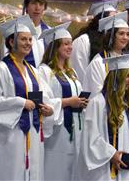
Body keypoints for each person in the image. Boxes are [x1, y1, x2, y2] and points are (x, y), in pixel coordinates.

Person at [0, 16, 55, 181]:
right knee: (10, 172)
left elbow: (44, 95)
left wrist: (48, 108)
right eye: (23, 39)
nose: (28, 43)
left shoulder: (32, 70)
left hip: (32, 133)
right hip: (9, 134)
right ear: (11, 42)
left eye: (30, 39)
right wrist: (21, 102)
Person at [76, 54, 129, 181]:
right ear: (116, 78)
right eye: (127, 76)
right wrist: (112, 154)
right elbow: (91, 137)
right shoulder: (98, 103)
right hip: (104, 169)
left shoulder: (128, 105)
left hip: (124, 169)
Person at [38, 22, 88, 181]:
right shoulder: (44, 71)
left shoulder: (70, 71)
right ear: (55, 47)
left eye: (71, 44)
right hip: (57, 130)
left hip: (76, 127)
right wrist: (68, 102)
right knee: (57, 169)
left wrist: (80, 102)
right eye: (66, 44)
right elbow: (44, 102)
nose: (70, 47)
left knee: (72, 169)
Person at [83, 11, 129, 97]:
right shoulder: (98, 63)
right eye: (121, 33)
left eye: (128, 34)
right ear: (111, 36)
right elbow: (96, 95)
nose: (125, 37)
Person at [71, 0, 118, 81]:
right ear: (101, 20)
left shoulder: (112, 42)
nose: (115, 24)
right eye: (112, 19)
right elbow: (79, 74)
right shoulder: (83, 41)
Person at [12, 0, 54, 67]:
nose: (37, 8)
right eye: (34, 3)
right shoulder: (15, 32)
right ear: (26, 6)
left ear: (44, 7)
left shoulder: (50, 32)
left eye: (41, 4)